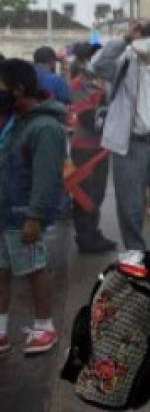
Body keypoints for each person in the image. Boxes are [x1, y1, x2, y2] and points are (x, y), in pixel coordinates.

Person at [90, 22, 150, 251]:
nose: (144, 42)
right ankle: (135, 257)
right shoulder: (123, 65)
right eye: (140, 37)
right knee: (130, 209)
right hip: (129, 146)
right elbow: (99, 64)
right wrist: (125, 38)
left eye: (148, 37)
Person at [0, 59, 67, 356]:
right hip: (6, 211)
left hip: (23, 213)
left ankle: (45, 327)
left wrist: (36, 217)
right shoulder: (18, 121)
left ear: (18, 89)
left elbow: (47, 177)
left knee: (34, 268)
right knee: (2, 270)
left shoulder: (45, 128)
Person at [68, 43, 115, 253]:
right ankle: (85, 239)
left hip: (101, 147)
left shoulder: (103, 84)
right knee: (85, 194)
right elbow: (89, 118)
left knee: (98, 194)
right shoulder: (78, 85)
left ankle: (92, 233)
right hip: (84, 148)